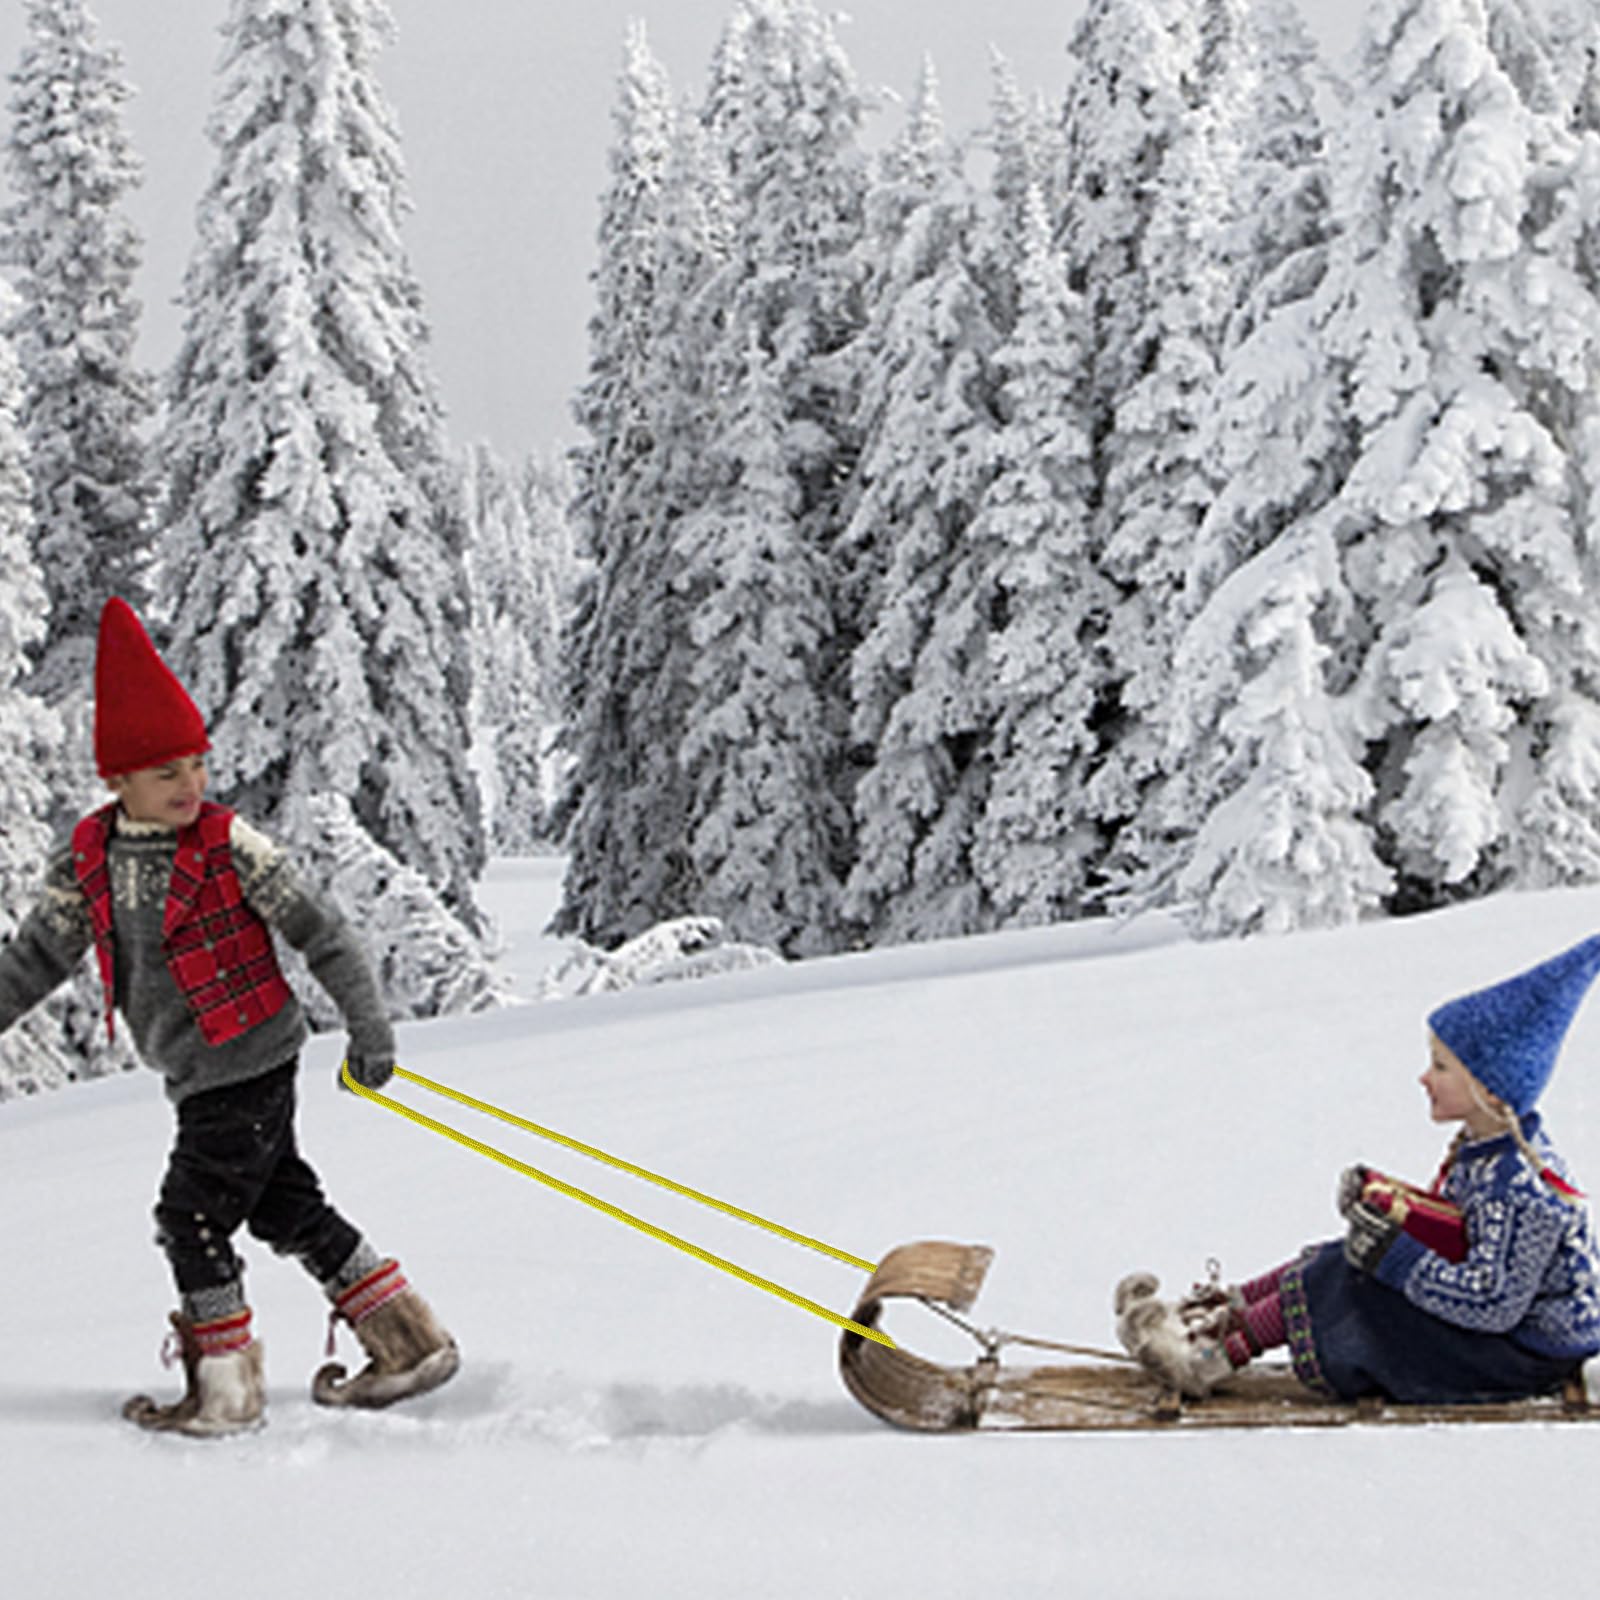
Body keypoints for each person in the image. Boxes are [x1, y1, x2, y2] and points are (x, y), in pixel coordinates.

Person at [0, 598, 458, 1436]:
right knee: (282, 1206)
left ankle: (226, 1392)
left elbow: (323, 932)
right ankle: (409, 1341)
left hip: (248, 1058)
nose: (190, 786)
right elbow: (35, 958)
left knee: (191, 1217)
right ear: (118, 781)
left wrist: (370, 1028)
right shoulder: (89, 860)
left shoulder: (230, 845)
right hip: (196, 1071)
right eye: (166, 772)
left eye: (197, 765)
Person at [1115, 935, 1600, 1405]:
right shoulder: (1486, 1151)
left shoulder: (1521, 1190)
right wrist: (1389, 1206)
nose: (1425, 1077)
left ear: (1490, 1089)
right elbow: (1456, 1232)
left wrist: (1395, 1256)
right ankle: (1214, 1313)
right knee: (1341, 1255)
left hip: (1518, 1357)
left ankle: (1206, 1359)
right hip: (1500, 1341)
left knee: (1346, 1275)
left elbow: (1491, 1302)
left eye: (1441, 1067)